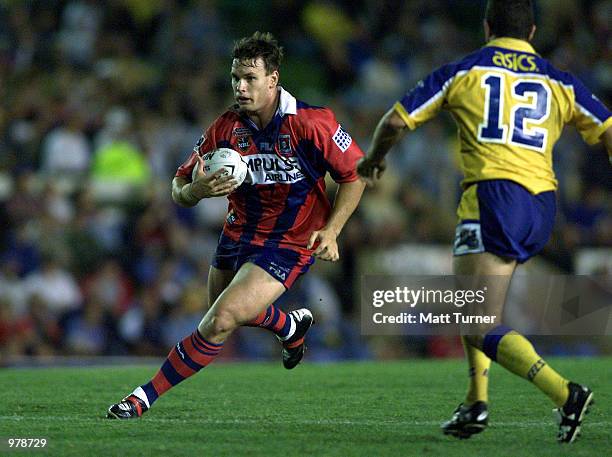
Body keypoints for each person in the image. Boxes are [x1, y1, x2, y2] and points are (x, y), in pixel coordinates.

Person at [357, 0, 611, 444]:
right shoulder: (559, 79)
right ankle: (476, 403)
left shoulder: (466, 70)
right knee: (474, 307)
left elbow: (396, 121)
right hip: (542, 204)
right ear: (531, 32)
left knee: (473, 314)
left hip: (494, 196)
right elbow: (608, 129)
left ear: (487, 26)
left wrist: (374, 162)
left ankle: (565, 393)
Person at [107, 32, 365, 419]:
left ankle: (141, 398)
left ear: (273, 79)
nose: (240, 87)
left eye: (250, 78)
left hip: (289, 242)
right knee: (223, 314)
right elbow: (178, 187)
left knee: (219, 321)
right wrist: (195, 190)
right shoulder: (225, 128)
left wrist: (332, 231)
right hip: (237, 233)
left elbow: (355, 176)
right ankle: (289, 328)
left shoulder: (312, 123)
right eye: (235, 78)